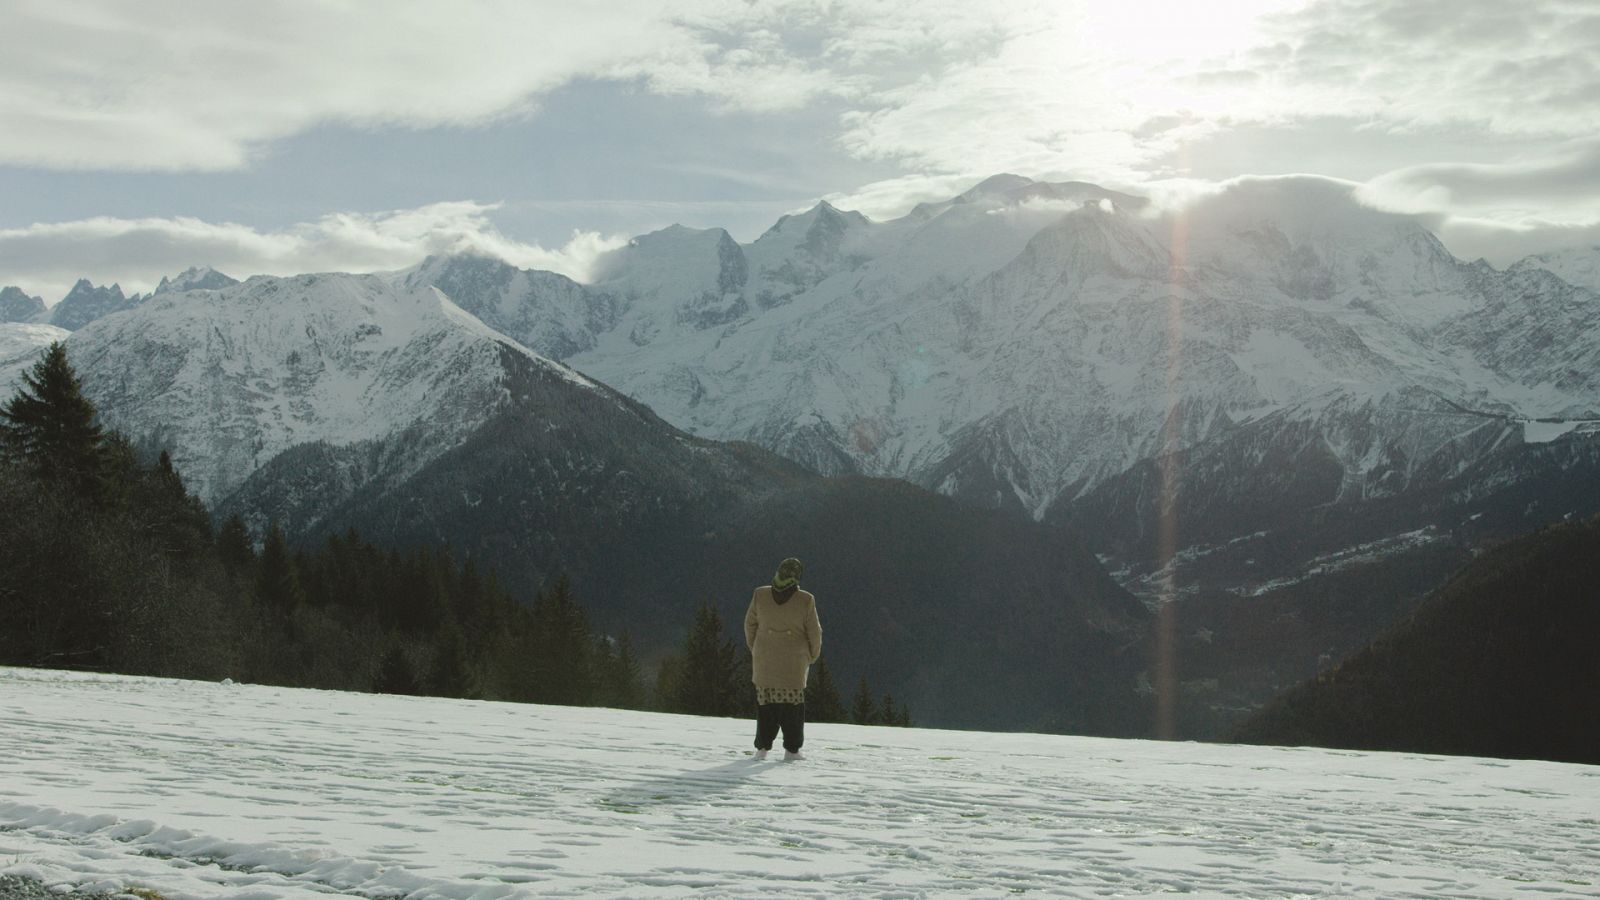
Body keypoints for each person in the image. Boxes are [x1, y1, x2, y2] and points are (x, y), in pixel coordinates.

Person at [744, 557, 821, 760]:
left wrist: (756, 648)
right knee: (792, 711)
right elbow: (815, 633)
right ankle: (792, 750)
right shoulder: (806, 600)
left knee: (765, 708)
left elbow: (749, 625)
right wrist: (811, 656)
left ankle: (762, 749)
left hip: (764, 661)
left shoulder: (760, 594)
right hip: (793, 664)